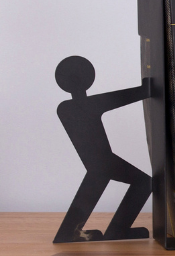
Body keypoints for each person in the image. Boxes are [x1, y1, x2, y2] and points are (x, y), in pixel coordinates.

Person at [53, 56, 152, 242]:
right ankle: (118, 230)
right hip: (103, 161)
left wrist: (143, 91)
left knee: (90, 191)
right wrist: (144, 90)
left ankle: (72, 232)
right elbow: (114, 99)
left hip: (96, 163)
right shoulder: (76, 107)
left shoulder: (65, 107)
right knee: (143, 183)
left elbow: (108, 101)